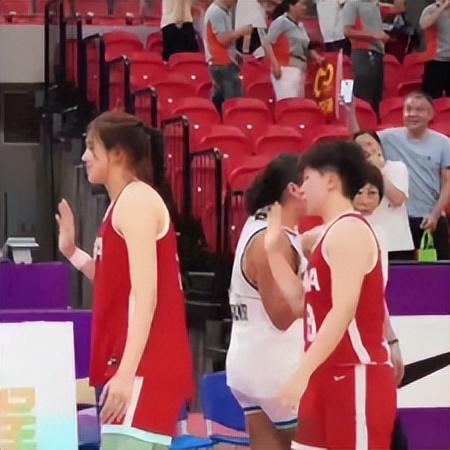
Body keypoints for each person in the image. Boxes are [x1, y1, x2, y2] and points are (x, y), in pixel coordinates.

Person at [55, 111, 193, 450]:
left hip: (144, 365)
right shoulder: (122, 204)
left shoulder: (136, 201)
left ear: (117, 154)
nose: (84, 156)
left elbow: (146, 296)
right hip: (132, 363)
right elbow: (115, 283)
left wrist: (127, 372)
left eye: (91, 147)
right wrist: (72, 252)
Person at [267, 141, 396, 449]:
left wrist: (301, 373)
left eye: (306, 178)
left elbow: (343, 311)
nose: (302, 188)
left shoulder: (349, 231)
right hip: (323, 373)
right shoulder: (325, 234)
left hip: (354, 375)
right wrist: (273, 250)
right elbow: (301, 305)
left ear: (330, 180)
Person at [226, 153, 306, 450]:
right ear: (294, 189)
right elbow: (280, 315)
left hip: (249, 364)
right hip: (278, 368)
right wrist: (321, 293)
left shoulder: (258, 225)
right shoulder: (271, 241)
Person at [378, 91, 450, 260]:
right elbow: (361, 139)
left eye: (419, 110)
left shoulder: (444, 143)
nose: (412, 114)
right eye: (408, 109)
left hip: (430, 218)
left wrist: (435, 214)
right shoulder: (387, 138)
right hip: (398, 222)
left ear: (430, 114)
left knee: (438, 272)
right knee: (399, 272)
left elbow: (448, 182)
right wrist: (349, 111)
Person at [353, 129, 415, 258]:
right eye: (360, 146)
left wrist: (378, 170)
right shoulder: (353, 174)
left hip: (397, 244)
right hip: (368, 242)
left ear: (379, 145)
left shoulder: (397, 168)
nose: (365, 149)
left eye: (369, 144)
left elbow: (397, 200)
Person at [263, 0, 325, 100]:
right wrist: (275, 64)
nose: (304, 8)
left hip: (300, 68)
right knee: (288, 101)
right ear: (291, 6)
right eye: (302, 4)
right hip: (286, 68)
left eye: (305, 5)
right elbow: (267, 43)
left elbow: (308, 45)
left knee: (298, 103)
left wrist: (317, 57)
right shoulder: (281, 21)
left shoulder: (300, 26)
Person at [203, 0, 252, 111]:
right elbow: (223, 39)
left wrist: (235, 54)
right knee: (233, 104)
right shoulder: (217, 12)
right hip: (222, 63)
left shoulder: (222, 12)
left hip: (222, 62)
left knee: (219, 102)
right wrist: (241, 31)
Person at [343, 0, 390, 114]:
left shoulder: (375, 5)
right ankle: (362, 122)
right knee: (364, 97)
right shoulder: (353, 4)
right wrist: (374, 35)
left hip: (377, 53)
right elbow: (347, 31)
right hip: (363, 52)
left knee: (376, 98)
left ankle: (372, 122)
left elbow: (398, 8)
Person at [419, 0, 450, 98]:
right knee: (432, 97)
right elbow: (424, 24)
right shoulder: (430, 9)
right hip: (436, 60)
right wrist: (442, 7)